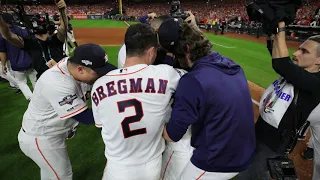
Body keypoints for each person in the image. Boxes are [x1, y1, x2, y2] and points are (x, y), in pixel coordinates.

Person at [158, 18, 256, 180]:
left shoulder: (193, 81)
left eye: (176, 53)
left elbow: (172, 135)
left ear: (187, 48)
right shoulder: (231, 64)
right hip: (244, 153)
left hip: (218, 162)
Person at [91, 23, 185, 180]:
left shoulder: (99, 85)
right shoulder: (165, 74)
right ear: (151, 52)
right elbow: (192, 82)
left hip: (117, 166)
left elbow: (101, 124)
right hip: (151, 165)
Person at [17, 43, 117, 179]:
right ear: (81, 69)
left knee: (50, 174)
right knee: (62, 176)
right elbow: (87, 117)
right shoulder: (57, 83)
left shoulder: (71, 66)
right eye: (98, 72)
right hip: (42, 138)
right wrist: (118, 110)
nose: (100, 76)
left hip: (51, 134)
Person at [237, 22, 320, 180]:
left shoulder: (316, 84)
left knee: (247, 174)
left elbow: (281, 63)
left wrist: (281, 26)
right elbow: (278, 56)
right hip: (261, 131)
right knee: (258, 171)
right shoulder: (299, 71)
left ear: (319, 61)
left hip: (273, 145)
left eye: (304, 51)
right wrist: (271, 35)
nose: (295, 53)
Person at [0, 0, 68, 79]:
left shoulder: (55, 40)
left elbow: (64, 28)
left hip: (63, 77)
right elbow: (8, 36)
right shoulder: (30, 43)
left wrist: (62, 10)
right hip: (44, 79)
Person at [0, 13, 37, 100]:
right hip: (30, 61)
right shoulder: (22, 30)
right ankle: (40, 99)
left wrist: (3, 65)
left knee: (21, 82)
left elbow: (2, 51)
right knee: (35, 81)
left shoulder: (2, 35)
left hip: (16, 63)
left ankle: (30, 99)